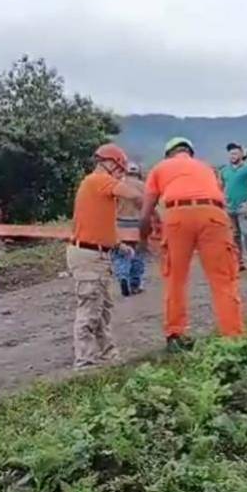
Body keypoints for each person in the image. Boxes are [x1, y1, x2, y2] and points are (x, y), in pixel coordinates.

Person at [139, 137, 245, 352]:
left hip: (178, 216)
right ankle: (234, 338)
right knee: (223, 279)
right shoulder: (206, 168)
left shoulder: (160, 168)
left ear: (169, 153)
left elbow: (146, 211)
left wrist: (143, 238)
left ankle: (176, 335)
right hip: (214, 215)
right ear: (190, 153)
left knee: (175, 279)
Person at [67, 143, 143, 370]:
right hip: (89, 256)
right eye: (119, 170)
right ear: (108, 164)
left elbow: (97, 225)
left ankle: (107, 355)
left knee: (102, 309)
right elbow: (132, 194)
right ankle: (85, 362)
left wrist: (119, 245)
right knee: (90, 310)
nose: (121, 175)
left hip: (97, 253)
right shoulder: (98, 181)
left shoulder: (96, 187)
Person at [219, 142, 247, 273]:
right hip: (229, 207)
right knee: (234, 235)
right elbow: (219, 187)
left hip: (244, 207)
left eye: (235, 153)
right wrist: (222, 201)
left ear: (241, 154)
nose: (233, 156)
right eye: (231, 153)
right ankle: (239, 261)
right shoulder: (224, 171)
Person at [112, 162, 147, 296]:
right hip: (137, 224)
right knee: (138, 255)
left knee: (122, 254)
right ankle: (135, 284)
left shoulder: (118, 185)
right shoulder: (144, 187)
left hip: (120, 224)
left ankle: (123, 276)